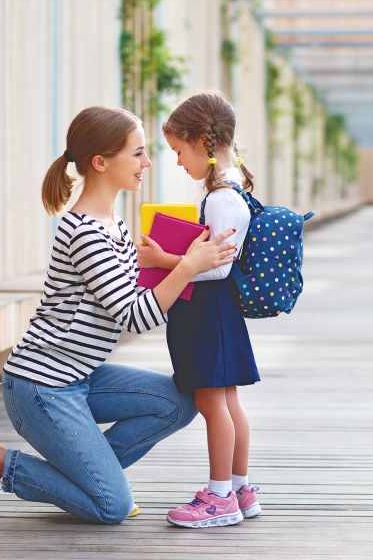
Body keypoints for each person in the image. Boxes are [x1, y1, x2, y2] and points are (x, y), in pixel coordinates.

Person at [0, 105, 237, 524]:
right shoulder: (85, 232)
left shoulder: (113, 224)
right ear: (101, 162)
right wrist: (189, 265)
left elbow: (135, 294)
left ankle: (89, 479)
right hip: (40, 387)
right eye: (137, 153)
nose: (148, 162)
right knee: (110, 507)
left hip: (80, 376)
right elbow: (134, 316)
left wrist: (175, 260)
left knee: (179, 402)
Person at [137, 91, 261, 528]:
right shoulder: (230, 190)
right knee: (227, 402)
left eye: (178, 150)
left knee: (213, 404)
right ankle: (239, 488)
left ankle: (220, 496)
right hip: (217, 316)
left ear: (203, 141)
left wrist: (162, 261)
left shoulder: (220, 197)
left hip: (207, 314)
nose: (176, 161)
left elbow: (215, 270)